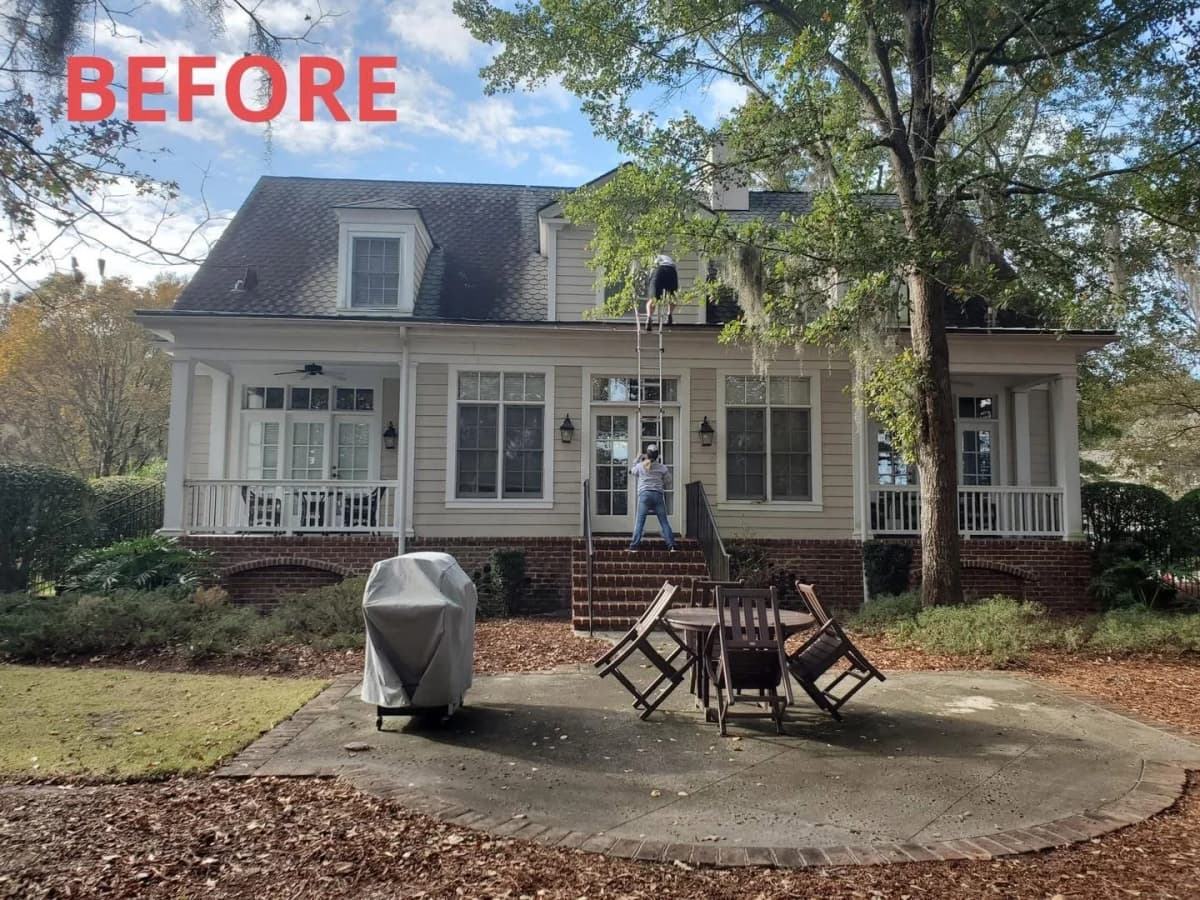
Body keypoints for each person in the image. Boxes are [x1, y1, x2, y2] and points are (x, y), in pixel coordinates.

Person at [627, 444, 676, 552]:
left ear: (647, 454)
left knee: (640, 522)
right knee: (664, 522)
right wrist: (659, 481)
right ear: (657, 455)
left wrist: (637, 458)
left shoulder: (641, 465)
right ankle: (672, 546)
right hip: (658, 496)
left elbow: (631, 471)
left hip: (645, 495)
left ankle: (634, 546)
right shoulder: (662, 467)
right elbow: (669, 481)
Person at [645, 253, 677, 330]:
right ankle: (669, 315)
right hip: (671, 270)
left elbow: (651, 275)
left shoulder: (653, 259)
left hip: (658, 270)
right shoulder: (670, 259)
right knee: (672, 296)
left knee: (653, 299)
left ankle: (649, 317)